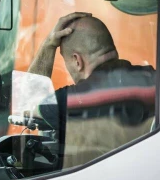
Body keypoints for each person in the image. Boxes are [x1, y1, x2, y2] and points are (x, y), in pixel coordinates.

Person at [28, 12, 156, 168]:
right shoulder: (152, 78)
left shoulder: (74, 101)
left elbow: (28, 106)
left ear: (77, 60)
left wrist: (48, 44)